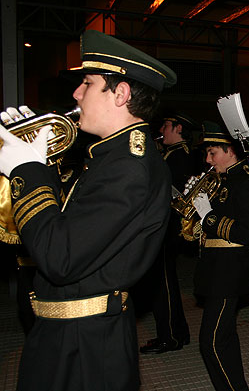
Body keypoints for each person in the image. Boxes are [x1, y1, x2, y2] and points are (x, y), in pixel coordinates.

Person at [0, 29, 175, 390]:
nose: (77, 93)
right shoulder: (110, 155)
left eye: (88, 83)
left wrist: (27, 172)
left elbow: (59, 256)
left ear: (121, 93)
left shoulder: (129, 165)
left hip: (85, 346)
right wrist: (33, 168)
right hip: (72, 334)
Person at [191, 122, 249, 391]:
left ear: (231, 151)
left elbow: (247, 232)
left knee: (211, 341)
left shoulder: (246, 181)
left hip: (230, 271)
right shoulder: (222, 180)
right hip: (216, 269)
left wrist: (208, 216)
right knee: (223, 338)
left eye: (213, 153)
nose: (208, 160)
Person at [139, 112, 196, 354]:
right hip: (165, 224)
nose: (162, 128)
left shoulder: (177, 156)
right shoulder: (173, 154)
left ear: (178, 127)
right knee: (164, 282)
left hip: (166, 225)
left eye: (166, 124)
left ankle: (170, 336)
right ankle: (178, 332)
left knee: (162, 284)